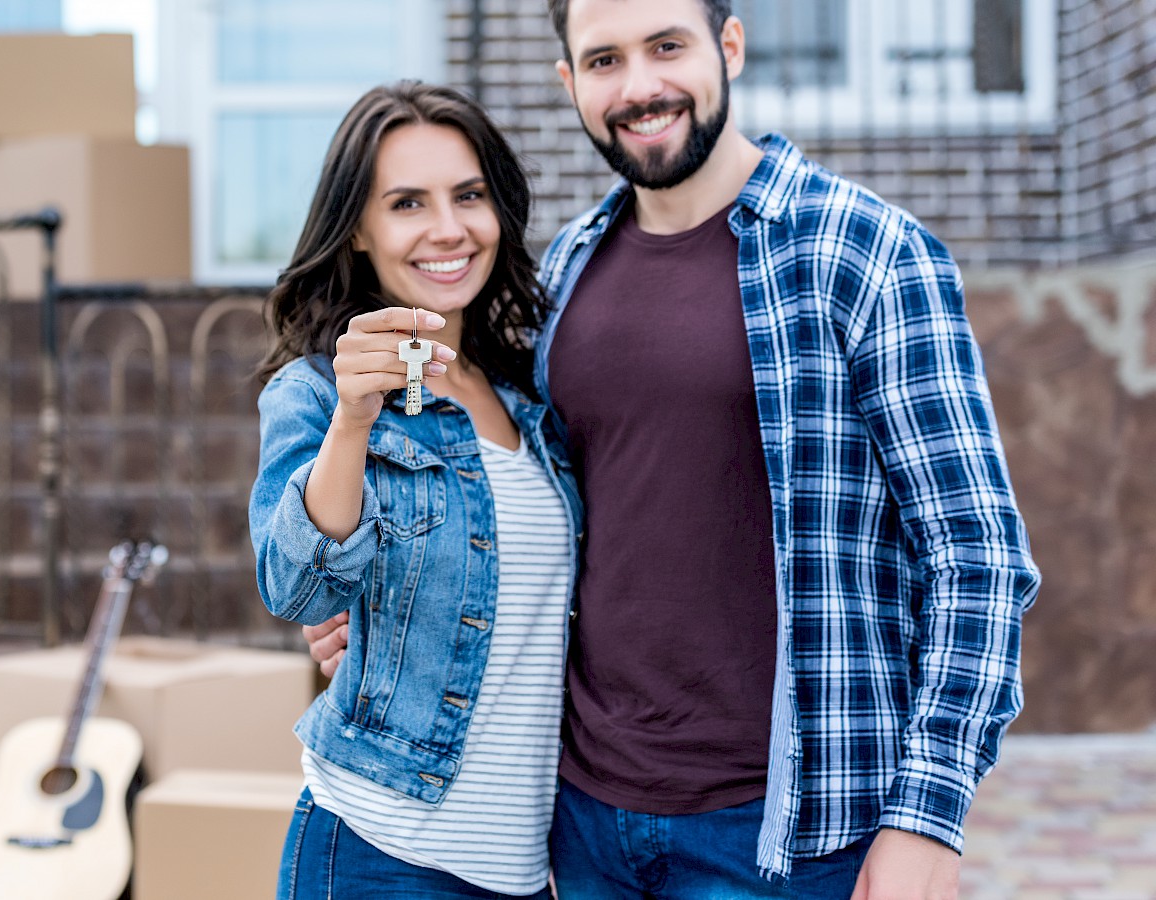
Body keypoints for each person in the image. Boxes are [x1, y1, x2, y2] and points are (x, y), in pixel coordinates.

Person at [301, 1, 1042, 898]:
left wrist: (930, 813)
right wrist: (395, 617)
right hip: (580, 822)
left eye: (667, 47)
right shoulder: (565, 274)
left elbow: (978, 554)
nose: (641, 86)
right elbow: (544, 520)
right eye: (606, 60)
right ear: (571, 84)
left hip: (785, 836)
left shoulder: (866, 254)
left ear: (729, 46)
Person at [249, 81, 581, 899]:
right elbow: (296, 588)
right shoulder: (319, 393)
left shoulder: (530, 398)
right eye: (406, 203)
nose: (447, 228)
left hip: (530, 867)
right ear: (358, 231)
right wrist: (354, 421)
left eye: (468, 195)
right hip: (381, 853)